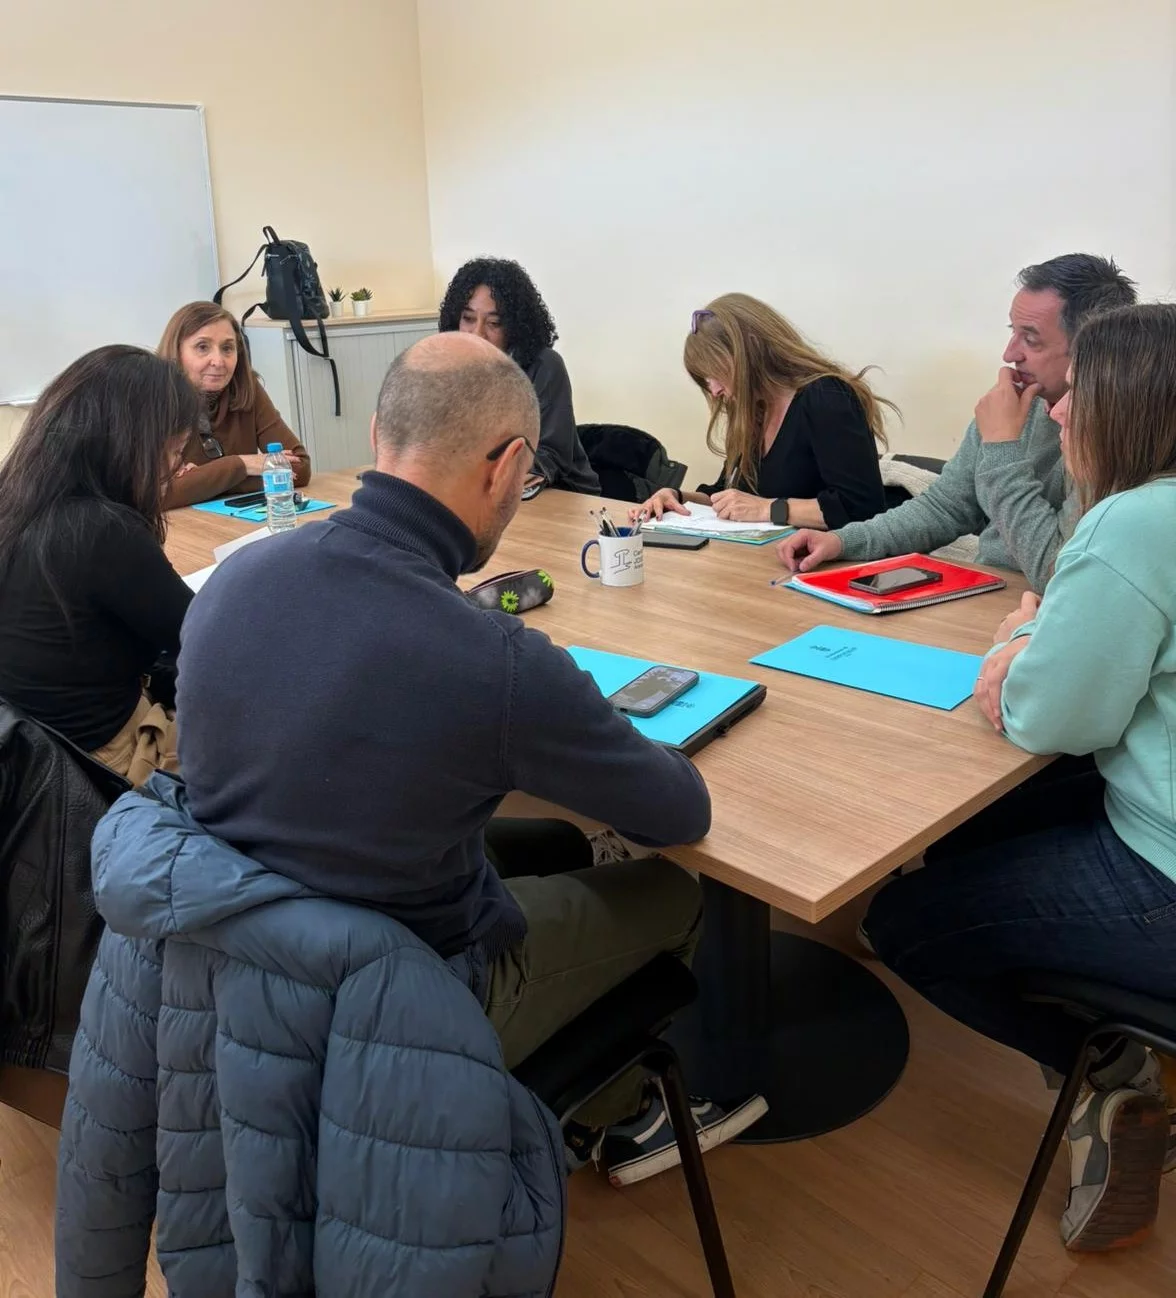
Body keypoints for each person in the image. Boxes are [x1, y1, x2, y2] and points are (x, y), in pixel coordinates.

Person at [173, 331, 766, 1183]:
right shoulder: (495, 660)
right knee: (670, 888)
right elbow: (680, 812)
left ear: (379, 434)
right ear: (510, 465)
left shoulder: (238, 578)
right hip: (408, 997)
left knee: (559, 846)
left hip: (242, 967)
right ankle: (620, 1115)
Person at [863, 303, 1176, 1253]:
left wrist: (1024, 640)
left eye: (1075, 388)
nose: (1057, 409)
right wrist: (1036, 630)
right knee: (966, 831)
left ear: (1121, 402)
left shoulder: (1132, 524)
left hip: (1160, 865)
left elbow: (1044, 713)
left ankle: (1106, 1069)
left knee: (900, 921)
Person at [778, 254, 1138, 593]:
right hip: (990, 596)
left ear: (1092, 348)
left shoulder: (1119, 435)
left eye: (1031, 339)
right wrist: (844, 540)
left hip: (1045, 611)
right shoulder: (1018, 401)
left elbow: (1054, 570)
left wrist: (1001, 449)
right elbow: (947, 507)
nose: (1009, 354)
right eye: (1013, 332)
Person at [0, 345, 199, 783]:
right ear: (131, 444)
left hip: (27, 758)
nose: (174, 469)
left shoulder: (15, 500)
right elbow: (204, 637)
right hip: (100, 764)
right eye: (173, 452)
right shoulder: (101, 530)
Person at [634, 293, 893, 529]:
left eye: (715, 373)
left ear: (751, 350)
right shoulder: (754, 413)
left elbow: (862, 509)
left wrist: (768, 508)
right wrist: (676, 497)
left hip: (822, 567)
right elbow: (728, 495)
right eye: (706, 380)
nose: (714, 391)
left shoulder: (826, 397)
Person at [438, 257, 601, 495]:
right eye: (469, 319)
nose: (477, 333)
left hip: (558, 492)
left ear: (514, 326)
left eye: (494, 323)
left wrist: (478, 471)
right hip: (480, 491)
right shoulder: (449, 367)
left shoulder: (544, 366)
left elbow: (552, 454)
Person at [157, 301, 311, 509]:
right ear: (176, 351)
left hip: (238, 527)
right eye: (202, 347)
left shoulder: (246, 388)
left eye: (227, 348)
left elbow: (298, 469)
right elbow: (159, 494)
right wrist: (242, 464)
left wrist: (200, 482)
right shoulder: (153, 398)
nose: (218, 361)